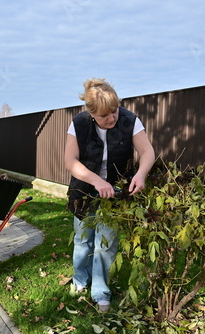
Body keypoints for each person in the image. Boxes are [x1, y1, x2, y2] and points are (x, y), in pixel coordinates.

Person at [64, 78, 155, 312]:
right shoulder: (79, 124)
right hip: (84, 191)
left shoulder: (130, 120)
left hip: (115, 193)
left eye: (114, 111)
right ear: (92, 114)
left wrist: (141, 174)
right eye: (105, 115)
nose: (112, 118)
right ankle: (79, 280)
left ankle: (101, 291)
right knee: (83, 241)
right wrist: (96, 181)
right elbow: (70, 161)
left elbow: (147, 151)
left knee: (106, 244)